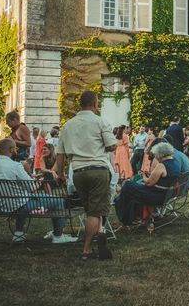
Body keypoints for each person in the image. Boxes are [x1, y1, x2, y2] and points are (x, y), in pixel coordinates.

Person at [55, 90, 116, 260]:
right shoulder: (100, 122)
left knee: (90, 208)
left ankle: (100, 233)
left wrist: (60, 174)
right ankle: (87, 249)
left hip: (78, 172)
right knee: (94, 212)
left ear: (80, 104)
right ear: (95, 104)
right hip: (98, 170)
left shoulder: (67, 125)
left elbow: (59, 154)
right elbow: (112, 146)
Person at [0, 138, 78, 244]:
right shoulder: (15, 166)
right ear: (11, 150)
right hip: (19, 205)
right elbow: (31, 188)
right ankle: (58, 236)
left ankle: (19, 234)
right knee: (58, 201)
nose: (16, 150)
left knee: (22, 198)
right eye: (15, 148)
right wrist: (39, 181)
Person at [114, 141, 181, 226]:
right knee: (128, 189)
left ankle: (123, 215)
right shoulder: (175, 162)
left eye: (156, 155)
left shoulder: (161, 166)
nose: (156, 157)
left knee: (127, 185)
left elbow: (148, 183)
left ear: (161, 154)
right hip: (165, 194)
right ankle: (127, 214)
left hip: (157, 196)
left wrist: (143, 176)